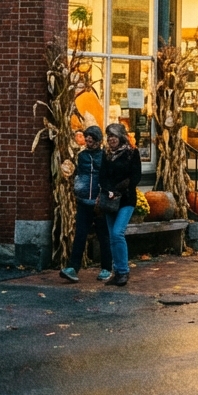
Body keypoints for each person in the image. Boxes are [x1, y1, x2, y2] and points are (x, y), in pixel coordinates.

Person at [60, 126, 113, 283]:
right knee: (80, 234)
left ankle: (106, 268)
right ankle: (73, 268)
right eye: (87, 139)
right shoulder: (81, 156)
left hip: (99, 202)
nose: (89, 142)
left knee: (103, 235)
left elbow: (108, 177)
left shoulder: (105, 156)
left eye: (92, 139)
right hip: (83, 201)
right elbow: (75, 172)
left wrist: (102, 195)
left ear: (98, 141)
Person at [99, 123, 141, 287]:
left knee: (117, 233)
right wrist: (108, 190)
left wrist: (118, 190)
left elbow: (136, 176)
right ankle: (116, 273)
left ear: (121, 137)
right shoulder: (106, 154)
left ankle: (123, 271)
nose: (111, 139)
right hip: (109, 200)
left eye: (114, 136)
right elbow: (102, 175)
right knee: (112, 236)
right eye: (109, 136)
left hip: (126, 198)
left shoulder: (132, 153)